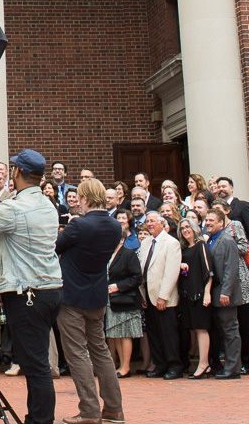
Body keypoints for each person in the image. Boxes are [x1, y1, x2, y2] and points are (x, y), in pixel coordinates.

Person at [0, 149, 63, 424]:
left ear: (17, 172)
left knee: (36, 365)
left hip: (28, 293)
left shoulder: (15, 208)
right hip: (49, 289)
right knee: (36, 361)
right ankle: (37, 416)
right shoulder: (46, 205)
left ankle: (40, 420)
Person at [55, 178, 125, 424]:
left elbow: (56, 247)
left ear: (84, 198)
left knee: (77, 354)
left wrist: (69, 226)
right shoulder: (116, 226)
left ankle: (89, 411)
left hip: (72, 296)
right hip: (97, 295)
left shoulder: (79, 226)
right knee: (101, 351)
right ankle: (114, 409)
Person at [214, 176, 249, 333]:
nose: (221, 189)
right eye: (219, 187)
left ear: (231, 188)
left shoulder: (242, 206)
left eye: (224, 186)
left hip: (247, 256)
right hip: (233, 260)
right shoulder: (217, 210)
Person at [139, 212, 183, 379]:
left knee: (168, 334)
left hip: (164, 298)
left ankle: (174, 365)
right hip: (148, 295)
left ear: (161, 223)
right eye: (147, 221)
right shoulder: (145, 243)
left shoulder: (171, 243)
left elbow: (171, 272)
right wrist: (142, 295)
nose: (149, 224)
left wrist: (163, 296)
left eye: (152, 221)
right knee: (154, 334)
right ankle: (160, 364)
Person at [204, 208, 243, 379]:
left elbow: (231, 269)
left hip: (225, 294)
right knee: (222, 332)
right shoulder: (210, 240)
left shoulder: (227, 240)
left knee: (230, 331)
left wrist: (226, 292)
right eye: (207, 220)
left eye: (212, 220)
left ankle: (233, 368)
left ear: (221, 223)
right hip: (214, 292)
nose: (208, 223)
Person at [104, 216, 143, 379]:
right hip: (111, 300)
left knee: (125, 333)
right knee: (117, 334)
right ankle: (120, 365)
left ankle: (126, 366)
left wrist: (118, 286)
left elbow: (136, 277)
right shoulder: (108, 254)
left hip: (124, 299)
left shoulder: (128, 254)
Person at [177, 218, 213, 379]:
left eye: (187, 227)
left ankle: (204, 363)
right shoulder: (183, 249)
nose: (185, 230)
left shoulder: (201, 245)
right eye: (182, 228)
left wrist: (207, 293)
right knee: (193, 328)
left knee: (201, 328)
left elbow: (208, 271)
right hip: (187, 294)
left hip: (200, 293)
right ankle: (201, 363)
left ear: (194, 228)